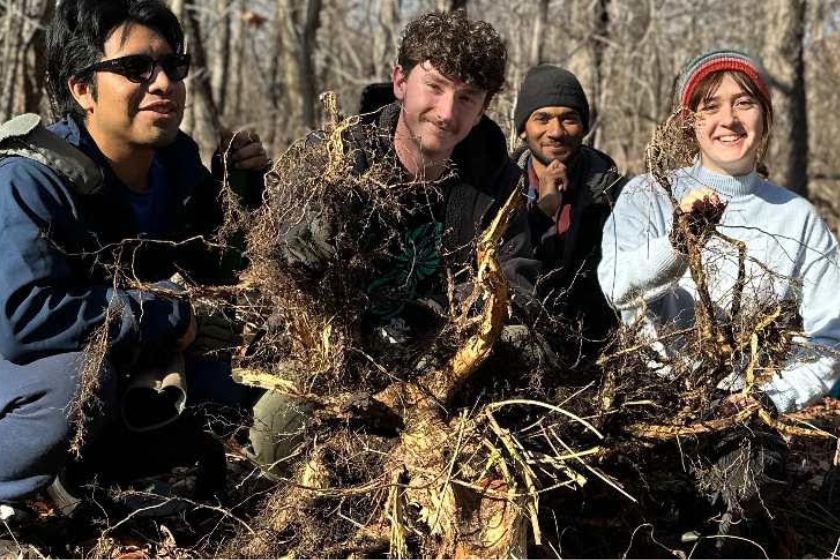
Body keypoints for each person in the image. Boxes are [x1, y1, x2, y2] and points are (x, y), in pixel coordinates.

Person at [0, 0, 268, 507]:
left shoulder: (174, 160)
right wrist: (163, 311)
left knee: (226, 370)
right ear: (82, 88)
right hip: (21, 380)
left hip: (130, 376)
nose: (163, 83)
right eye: (135, 68)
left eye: (173, 65)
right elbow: (24, 319)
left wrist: (240, 193)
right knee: (78, 384)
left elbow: (222, 274)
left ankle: (94, 487)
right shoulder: (30, 178)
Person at [249, 9, 540, 474]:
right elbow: (279, 283)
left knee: (526, 356)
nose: (447, 113)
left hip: (445, 367)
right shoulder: (336, 161)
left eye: (467, 97)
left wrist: (436, 337)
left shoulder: (496, 182)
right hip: (343, 362)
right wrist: (310, 252)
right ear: (400, 80)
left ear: (484, 107)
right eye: (436, 86)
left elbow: (517, 286)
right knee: (273, 428)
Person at [598, 49, 840, 415]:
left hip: (748, 416)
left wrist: (770, 398)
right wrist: (679, 245)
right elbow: (616, 288)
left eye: (744, 103)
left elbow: (830, 338)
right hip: (651, 402)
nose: (728, 119)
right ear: (689, 122)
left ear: (765, 116)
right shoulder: (648, 194)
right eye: (710, 107)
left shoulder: (798, 217)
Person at [512, 65, 625, 351]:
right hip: (521, 339)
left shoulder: (615, 193)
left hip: (597, 346)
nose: (556, 132)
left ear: (584, 127)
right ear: (523, 129)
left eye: (569, 119)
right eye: (542, 118)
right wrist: (544, 210)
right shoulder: (499, 189)